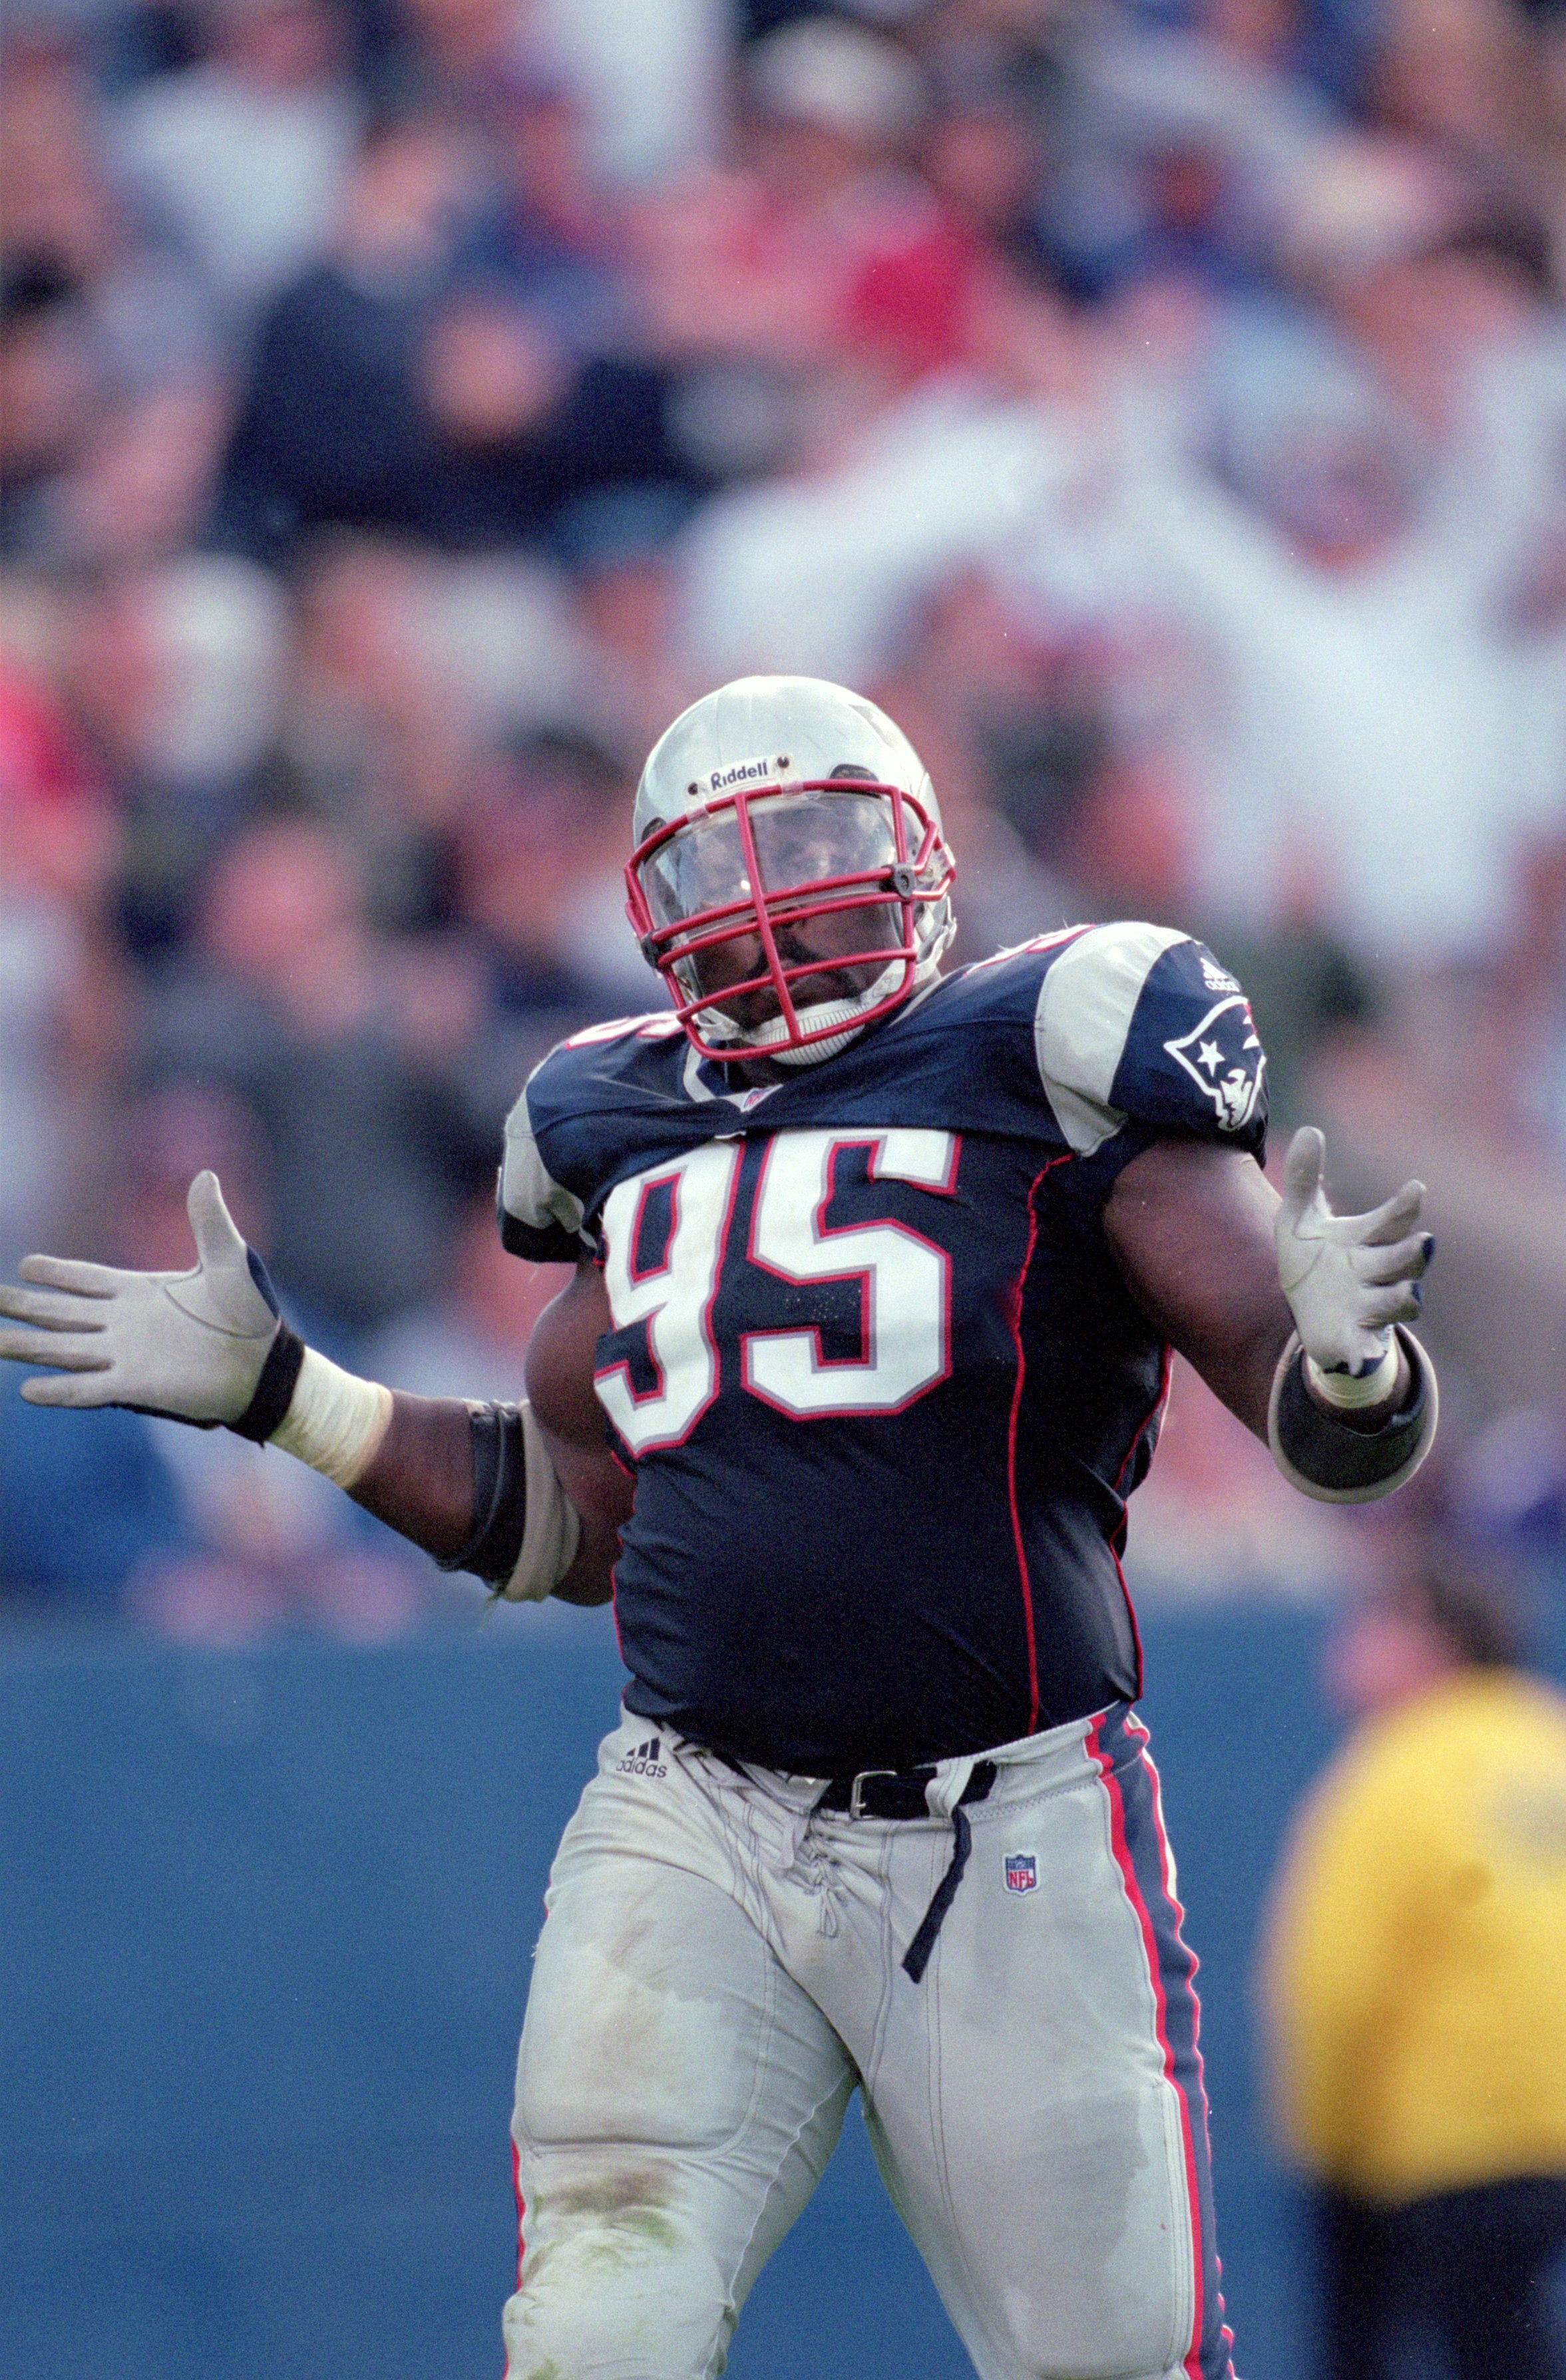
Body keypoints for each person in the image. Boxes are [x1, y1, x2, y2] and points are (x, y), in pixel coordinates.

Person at [0, 675, 1439, 2379]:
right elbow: (567, 1515)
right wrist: (286, 1396)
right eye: (719, 864)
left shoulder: (1044, 1047)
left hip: (1009, 1818)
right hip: (694, 1810)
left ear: (917, 849)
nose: (766, 896)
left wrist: (1354, 1366)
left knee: (1116, 2360)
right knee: (599, 2327)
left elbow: (1323, 1424)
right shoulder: (620, 1123)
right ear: (649, 908)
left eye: (813, 843)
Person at [1262, 1555, 1566, 2380]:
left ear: (1426, 1639)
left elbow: (1335, 1989)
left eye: (1370, 1623)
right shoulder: (1549, 1739)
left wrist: (1324, 2151)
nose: (1344, 1645)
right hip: (1546, 2132)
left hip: (1449, 2140)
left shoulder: (1392, 1770)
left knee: (1364, 2347)